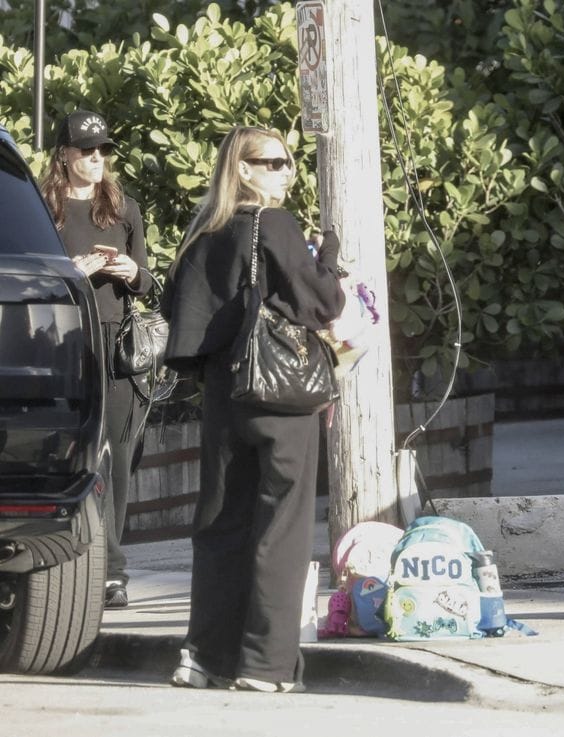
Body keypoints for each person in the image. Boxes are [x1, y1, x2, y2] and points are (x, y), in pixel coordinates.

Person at [161, 126, 344, 691]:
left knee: (220, 524)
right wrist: (330, 259)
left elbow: (180, 318)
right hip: (281, 395)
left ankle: (204, 658)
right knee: (281, 528)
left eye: (289, 163)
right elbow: (323, 301)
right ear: (241, 170)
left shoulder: (203, 233)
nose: (286, 172)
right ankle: (265, 666)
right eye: (272, 162)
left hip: (222, 394)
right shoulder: (276, 224)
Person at [40, 110, 154, 609]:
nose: (96, 159)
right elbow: (32, 280)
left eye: (103, 150)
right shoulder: (45, 209)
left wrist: (131, 271)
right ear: (64, 154)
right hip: (64, 342)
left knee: (118, 456)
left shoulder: (124, 207)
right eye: (86, 150)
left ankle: (112, 569)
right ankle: (70, 561)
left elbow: (150, 282)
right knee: (70, 453)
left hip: (116, 343)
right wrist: (72, 273)